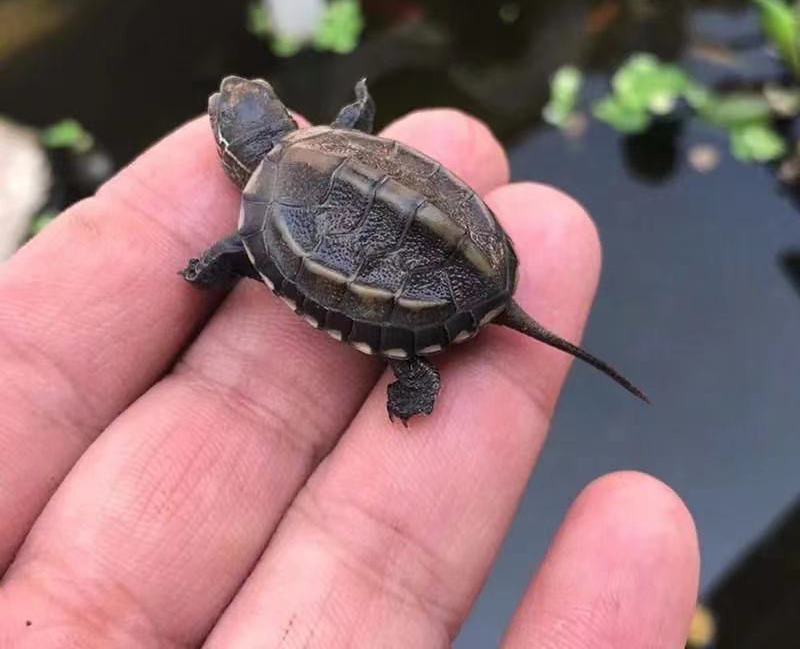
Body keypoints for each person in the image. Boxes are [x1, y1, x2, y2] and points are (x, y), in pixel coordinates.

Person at [0, 106, 699, 647]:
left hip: (437, 284)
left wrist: (200, 271)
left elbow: (237, 257)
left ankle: (414, 366)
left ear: (231, 157)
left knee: (382, 261)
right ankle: (418, 358)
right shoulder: (329, 141)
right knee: (393, 208)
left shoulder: (261, 223)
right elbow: (365, 153)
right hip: (479, 248)